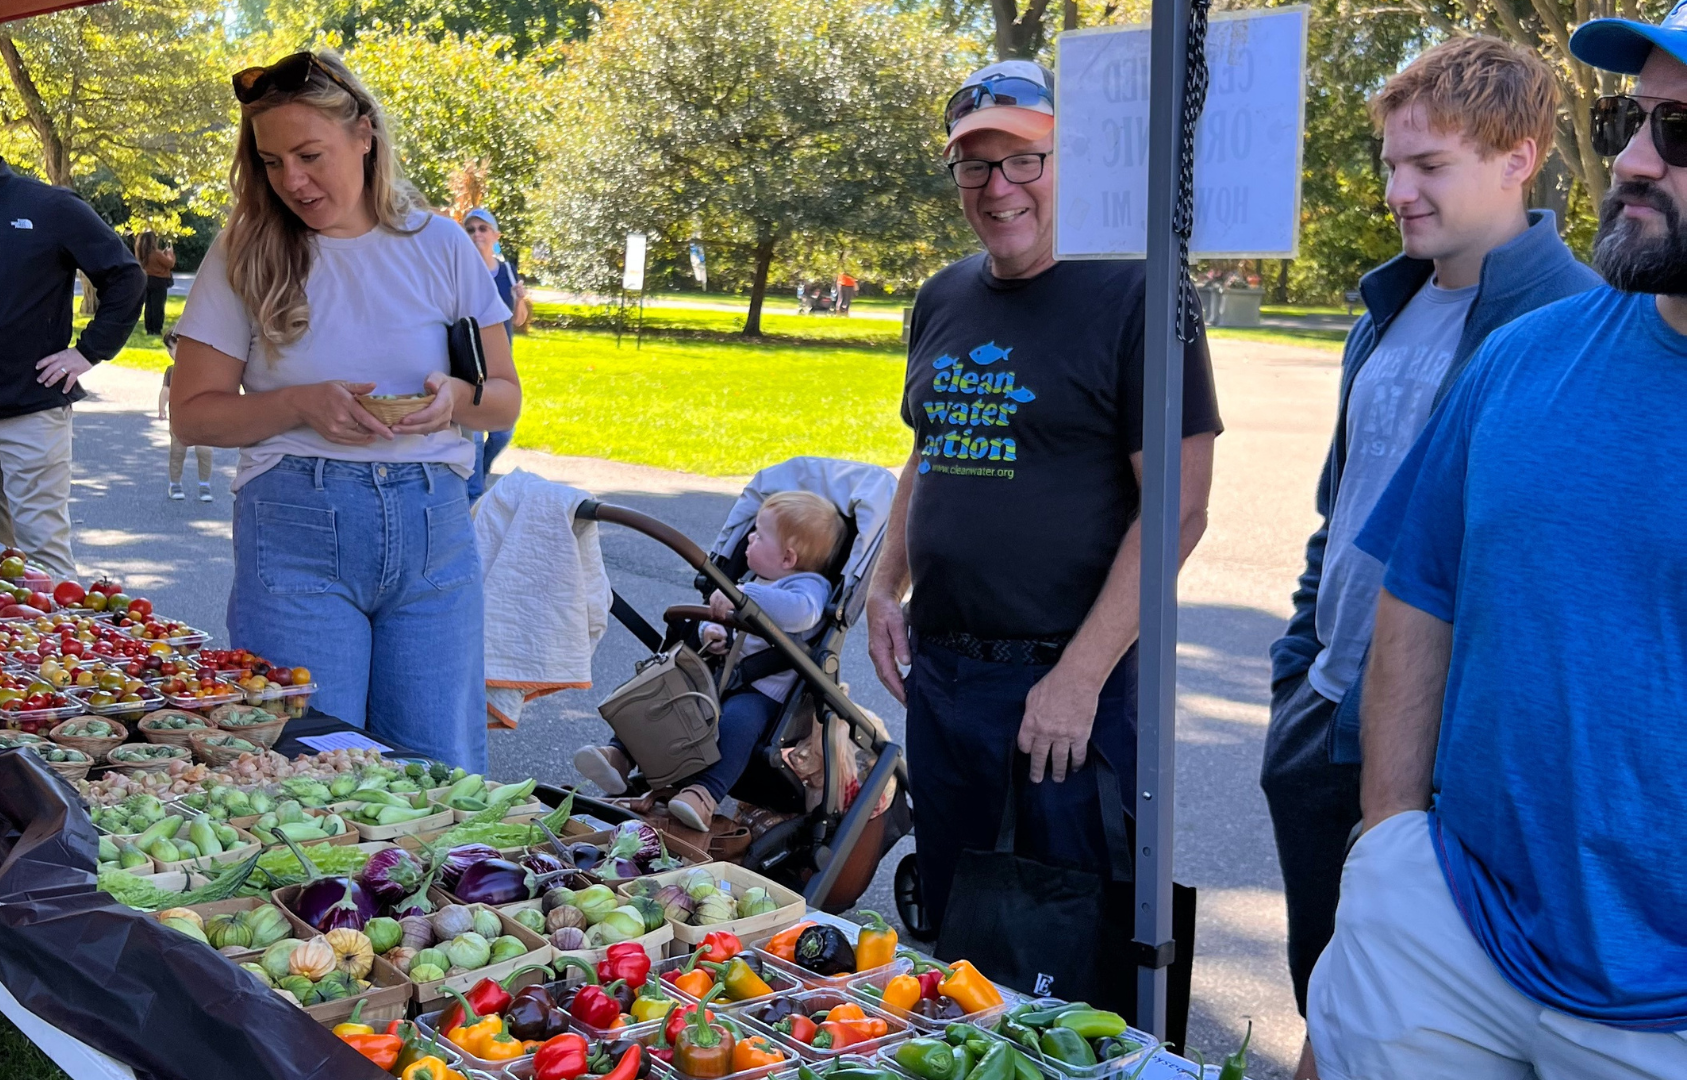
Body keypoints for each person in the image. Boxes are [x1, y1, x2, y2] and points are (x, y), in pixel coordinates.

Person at [1304, 13, 1687, 1078]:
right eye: (1628, 121)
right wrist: (1388, 842)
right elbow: (1418, 588)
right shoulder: (1524, 357)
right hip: (1448, 936)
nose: (1635, 160)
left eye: (1681, 133)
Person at [1260, 37, 1601, 1080]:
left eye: (1431, 167)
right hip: (1323, 709)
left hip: (1439, 750)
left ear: (1519, 159)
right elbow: (1340, 506)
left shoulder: (1575, 328)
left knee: (1417, 1032)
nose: (1399, 191)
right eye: (1393, 164)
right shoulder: (1389, 307)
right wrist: (1298, 669)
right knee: (1329, 992)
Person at [863, 59, 1221, 935]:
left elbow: (1179, 505)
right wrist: (883, 583)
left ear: (1075, 162)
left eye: (1026, 159)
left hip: (1064, 690)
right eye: (976, 164)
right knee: (954, 929)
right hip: (944, 682)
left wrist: (1080, 677)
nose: (998, 187)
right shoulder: (942, 296)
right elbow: (930, 448)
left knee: (1059, 945)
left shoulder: (1142, 293)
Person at [170, 50, 517, 770]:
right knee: (307, 765)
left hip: (433, 529)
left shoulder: (443, 246)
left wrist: (455, 398)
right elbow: (193, 417)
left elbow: (503, 399)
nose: (292, 180)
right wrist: (300, 405)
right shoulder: (245, 251)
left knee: (437, 773)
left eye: (308, 154)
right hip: (297, 525)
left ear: (365, 134)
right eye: (270, 162)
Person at [0, 100, 145, 578]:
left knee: (43, 558)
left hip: (31, 414)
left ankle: (65, 647)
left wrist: (89, 351)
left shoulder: (49, 207)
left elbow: (125, 277)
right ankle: (4, 652)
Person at [573, 490, 849, 829]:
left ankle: (704, 794)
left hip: (762, 693)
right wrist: (709, 631)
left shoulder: (808, 587)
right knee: (663, 695)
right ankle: (619, 755)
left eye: (760, 535)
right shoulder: (756, 580)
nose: (749, 537)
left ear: (788, 558)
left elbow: (801, 615)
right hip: (718, 675)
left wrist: (741, 596)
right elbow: (719, 616)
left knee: (737, 724)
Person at [461, 207, 528, 502]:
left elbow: (518, 320)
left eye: (482, 229)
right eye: (470, 229)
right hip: (469, 363)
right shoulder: (459, 270)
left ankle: (482, 472)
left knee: (502, 432)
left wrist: (521, 300)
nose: (477, 234)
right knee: (474, 435)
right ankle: (473, 496)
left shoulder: (507, 272)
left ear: (495, 235)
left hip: (500, 364)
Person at [157, 328, 213, 501]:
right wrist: (161, 408)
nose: (170, 352)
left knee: (204, 451)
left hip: (201, 419)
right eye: (169, 349)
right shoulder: (171, 371)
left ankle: (205, 485)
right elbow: (165, 391)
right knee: (177, 452)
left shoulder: (203, 369)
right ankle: (175, 484)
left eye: (173, 347)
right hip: (179, 420)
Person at [136, 230, 177, 337]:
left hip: (147, 280)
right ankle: (157, 329)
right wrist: (170, 253)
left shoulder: (142, 255)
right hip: (159, 281)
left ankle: (149, 328)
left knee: (149, 305)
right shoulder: (156, 254)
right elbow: (170, 263)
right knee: (158, 306)